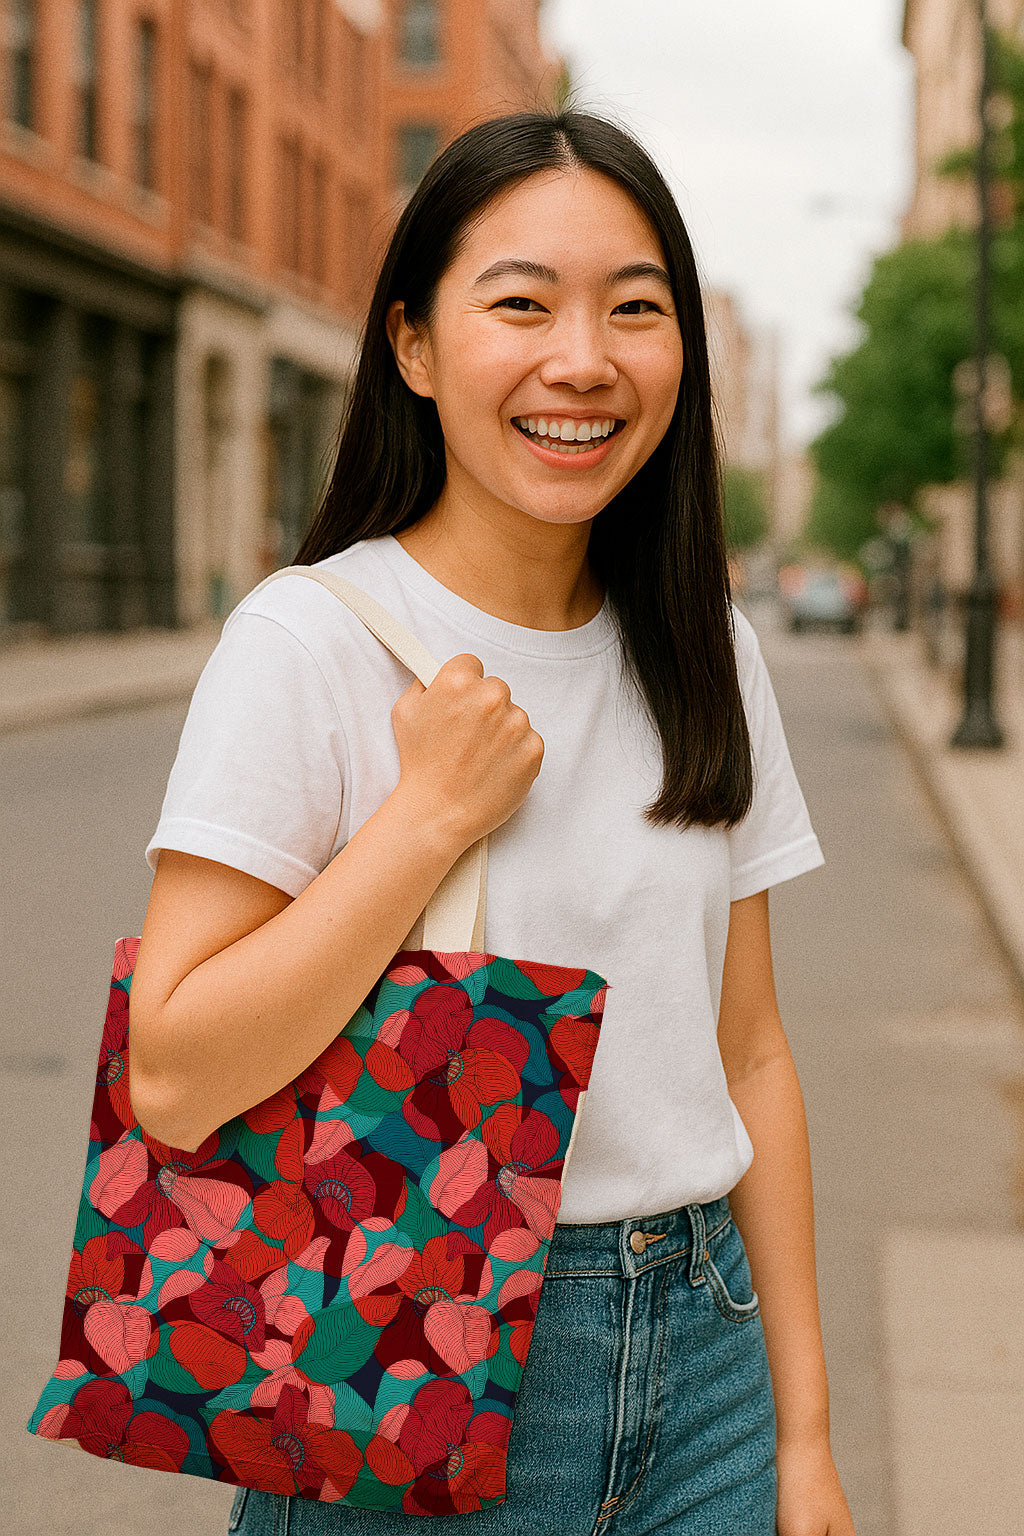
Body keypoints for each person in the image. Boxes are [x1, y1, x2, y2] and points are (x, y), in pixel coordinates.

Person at [129, 109, 854, 1536]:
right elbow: (175, 1072)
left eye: (634, 311)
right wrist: (423, 821)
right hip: (411, 1332)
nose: (581, 360)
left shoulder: (705, 643)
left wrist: (806, 1434)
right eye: (520, 303)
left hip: (704, 1356)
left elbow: (751, 1048)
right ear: (413, 346)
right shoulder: (311, 641)